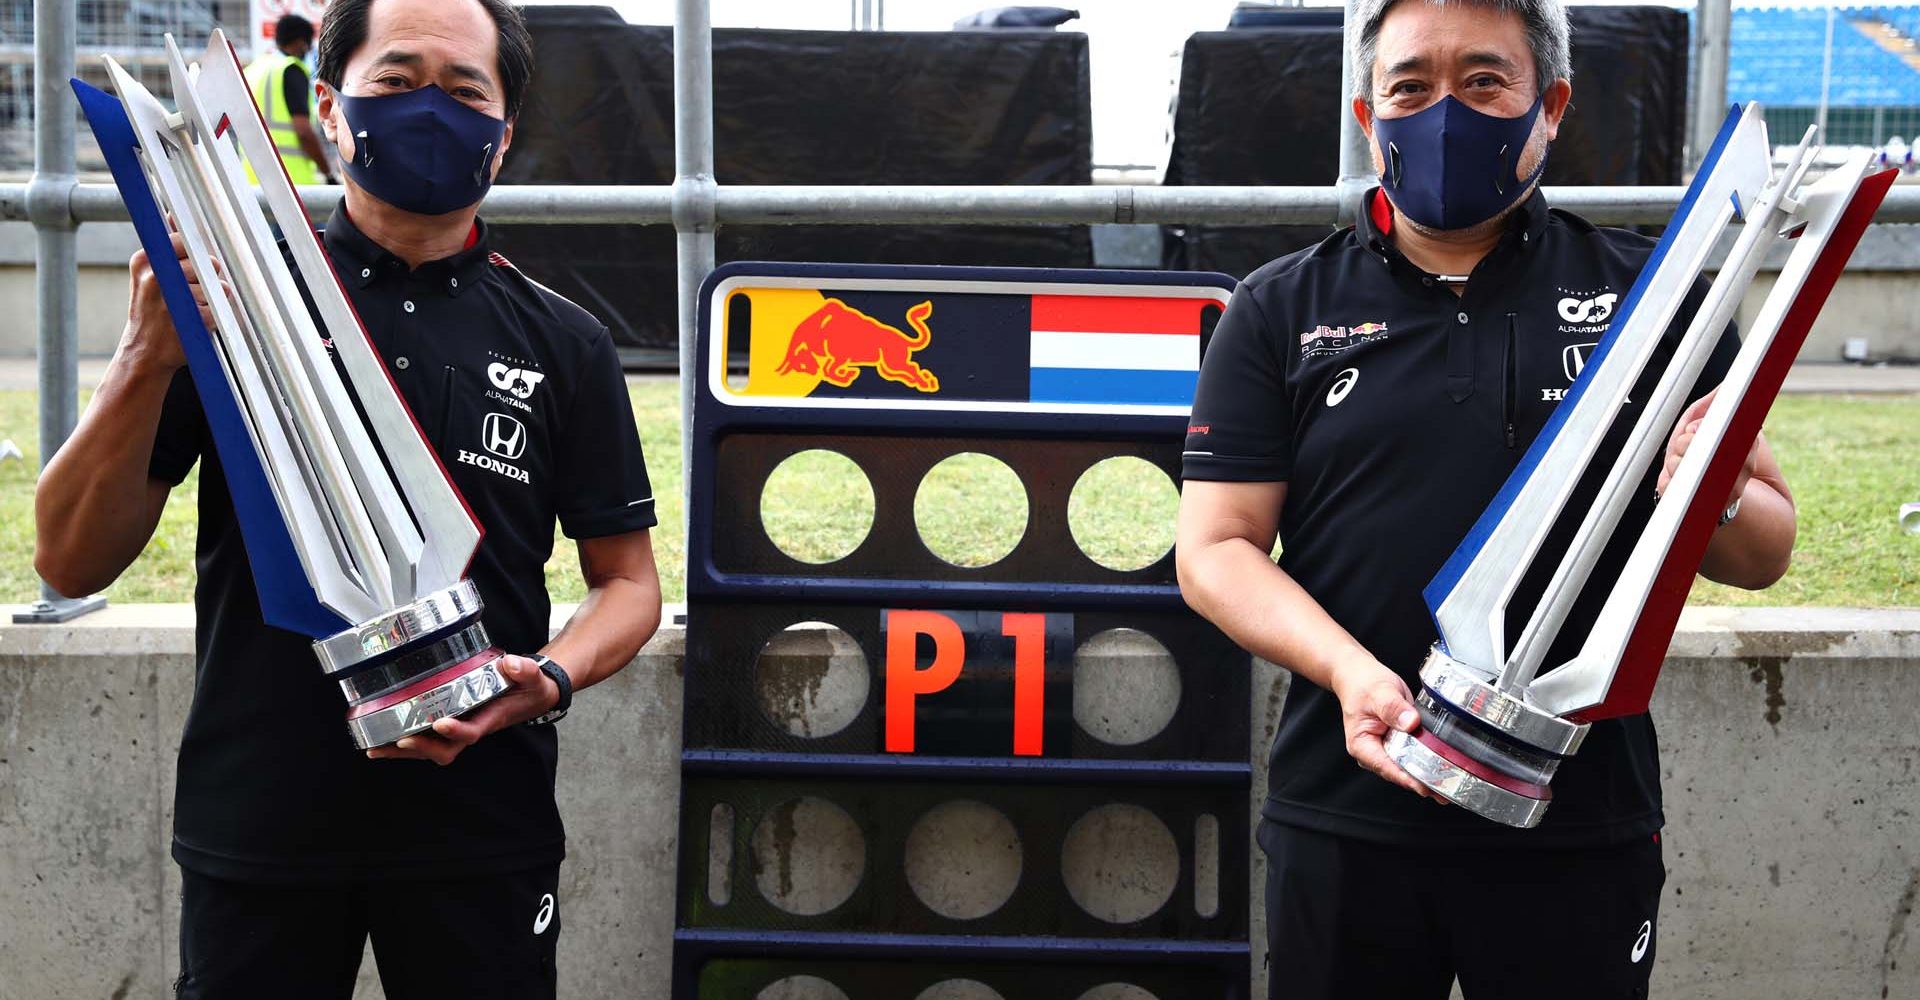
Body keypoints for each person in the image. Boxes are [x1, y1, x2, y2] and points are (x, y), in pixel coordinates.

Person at [33, 1, 662, 996]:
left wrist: (549, 674)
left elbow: (627, 581)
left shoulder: (564, 341)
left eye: (463, 92)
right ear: (329, 107)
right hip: (261, 825)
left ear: (502, 139)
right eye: (396, 80)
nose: (429, 110)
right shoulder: (232, 305)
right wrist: (146, 356)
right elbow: (68, 560)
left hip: (480, 830)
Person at [1173, 0, 1796, 997]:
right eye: (1410, 87)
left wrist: (1711, 489)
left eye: (1484, 80)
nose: (1445, 112)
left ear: (1548, 106)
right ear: (1368, 119)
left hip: (1580, 813)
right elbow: (1214, 549)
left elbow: (1763, 550)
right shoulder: (1279, 306)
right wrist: (1347, 671)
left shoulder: (1656, 295)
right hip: (1348, 809)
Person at [244, 14, 337, 186]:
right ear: (301, 43)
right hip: (291, 183)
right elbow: (303, 132)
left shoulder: (253, 70)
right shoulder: (291, 70)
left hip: (253, 182)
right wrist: (328, 173)